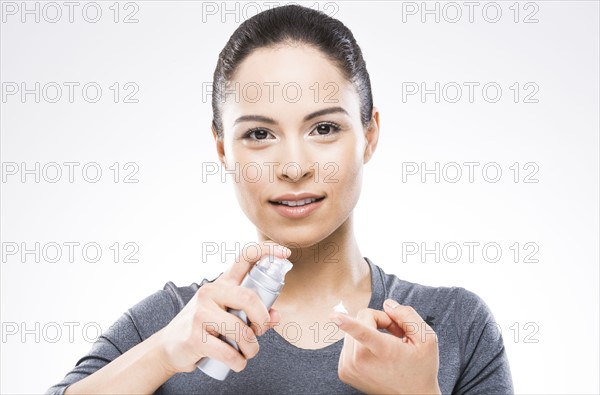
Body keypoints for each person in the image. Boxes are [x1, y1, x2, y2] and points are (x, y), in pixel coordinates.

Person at [47, 5, 513, 394]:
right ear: (223, 149)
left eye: (324, 128)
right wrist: (163, 352)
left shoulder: (450, 326)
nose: (293, 166)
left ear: (370, 135)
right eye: (259, 133)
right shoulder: (173, 324)